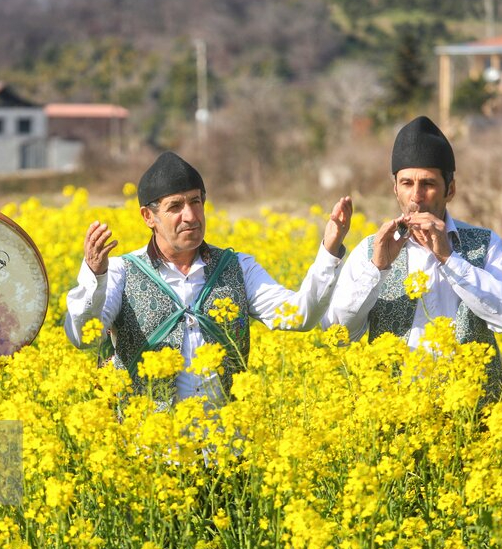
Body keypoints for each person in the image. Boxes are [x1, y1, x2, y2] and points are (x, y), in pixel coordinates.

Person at [64, 151, 353, 408]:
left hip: (225, 452)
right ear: (148, 217)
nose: (190, 216)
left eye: (196, 202)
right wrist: (95, 276)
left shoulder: (238, 267)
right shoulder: (119, 272)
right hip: (147, 454)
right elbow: (83, 337)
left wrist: (329, 250)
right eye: (175, 207)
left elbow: (300, 315)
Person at [323, 116, 502, 400]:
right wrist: (377, 269)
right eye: (406, 183)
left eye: (427, 183)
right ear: (395, 189)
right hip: (395, 417)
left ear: (449, 190)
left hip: (474, 416)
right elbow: (337, 333)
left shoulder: (485, 244)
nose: (416, 196)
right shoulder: (370, 250)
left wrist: (450, 259)